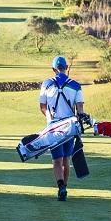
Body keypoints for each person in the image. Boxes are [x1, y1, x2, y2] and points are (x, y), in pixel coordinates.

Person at [38, 56, 84, 201]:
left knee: (57, 160)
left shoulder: (46, 84)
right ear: (66, 68)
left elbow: (42, 107)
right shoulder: (76, 86)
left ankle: (60, 186)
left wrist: (49, 118)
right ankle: (65, 186)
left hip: (54, 128)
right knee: (66, 160)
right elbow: (80, 110)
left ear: (53, 69)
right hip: (69, 127)